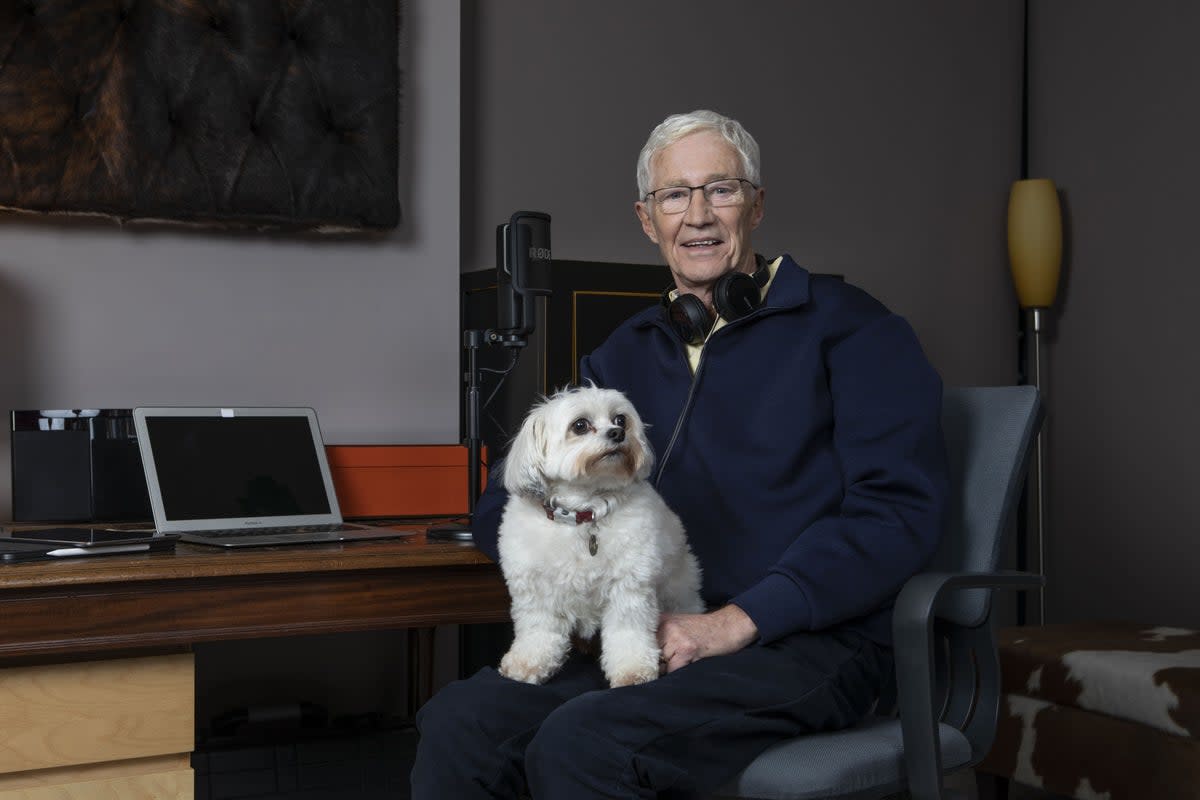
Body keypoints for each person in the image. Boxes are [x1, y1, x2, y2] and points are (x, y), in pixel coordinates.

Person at [412, 109, 949, 798]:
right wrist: (573, 573)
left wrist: (735, 621)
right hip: (652, 626)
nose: (698, 214)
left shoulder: (854, 329)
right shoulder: (621, 354)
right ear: (647, 218)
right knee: (463, 721)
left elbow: (898, 515)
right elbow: (505, 499)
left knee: (585, 745)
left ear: (757, 203)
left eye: (721, 189)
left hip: (808, 641)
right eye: (675, 195)